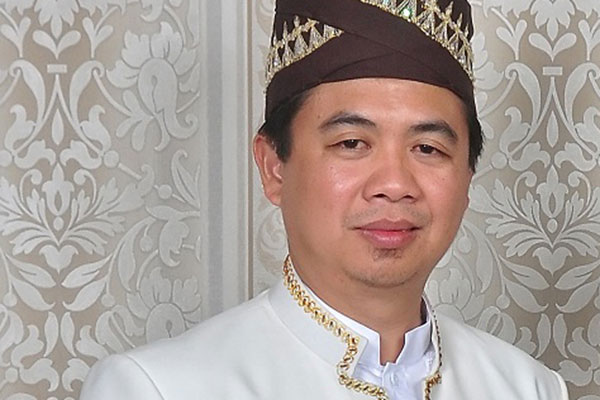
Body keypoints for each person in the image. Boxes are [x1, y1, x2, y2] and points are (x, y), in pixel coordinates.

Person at [80, 0, 569, 399]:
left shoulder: (529, 388)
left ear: (467, 178)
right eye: (352, 143)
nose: (394, 183)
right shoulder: (159, 388)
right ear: (274, 167)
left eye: (427, 148)